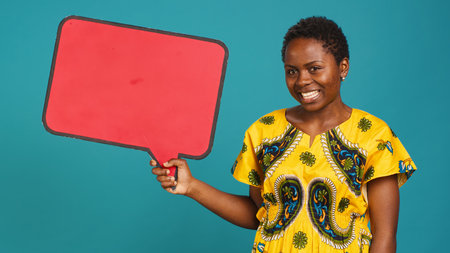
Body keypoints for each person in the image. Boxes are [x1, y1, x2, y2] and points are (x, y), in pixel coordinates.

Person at [151, 16, 416, 253]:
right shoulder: (264, 131)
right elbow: (260, 215)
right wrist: (191, 186)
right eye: (292, 71)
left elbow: (385, 237)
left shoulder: (375, 135)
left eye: (314, 68)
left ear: (343, 67)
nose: (302, 81)